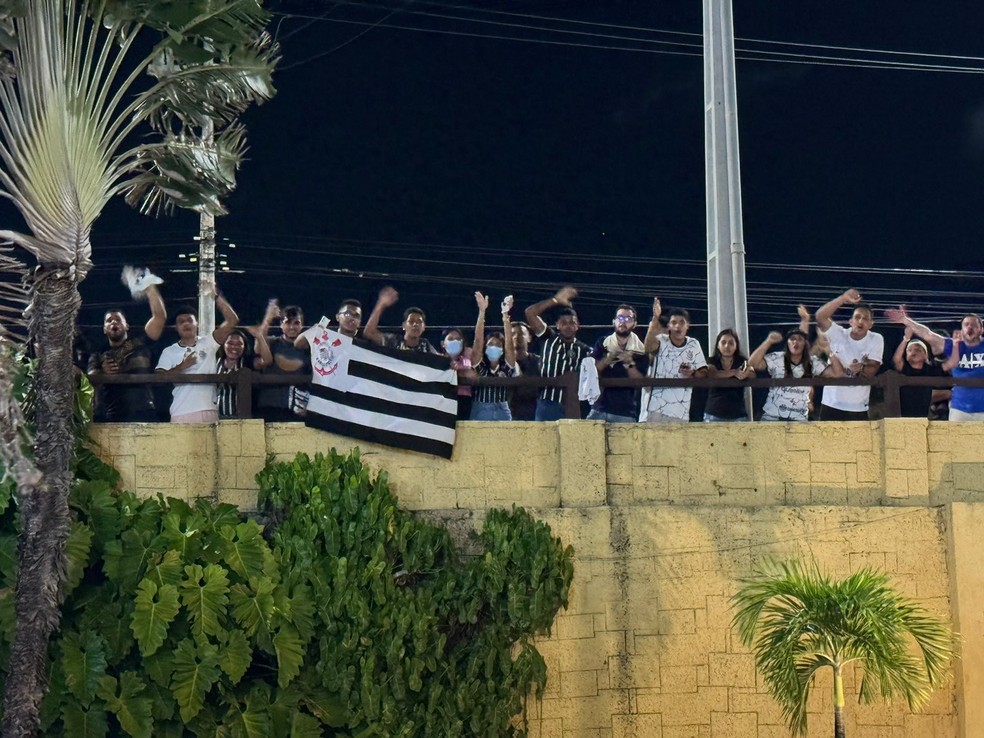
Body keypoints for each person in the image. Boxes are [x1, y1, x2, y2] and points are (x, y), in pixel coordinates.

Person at [87, 277, 166, 422]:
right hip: (113, 415)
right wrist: (103, 372)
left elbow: (159, 317)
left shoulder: (140, 343)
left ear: (126, 326)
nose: (113, 322)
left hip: (145, 412)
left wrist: (150, 288)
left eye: (118, 319)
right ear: (104, 329)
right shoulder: (98, 354)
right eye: (109, 321)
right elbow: (90, 379)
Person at [154, 288, 238, 423]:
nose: (186, 323)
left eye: (189, 320)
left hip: (208, 410)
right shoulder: (169, 351)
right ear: (176, 327)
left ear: (196, 324)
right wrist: (183, 365)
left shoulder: (208, 342)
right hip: (180, 411)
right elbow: (158, 378)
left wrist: (215, 296)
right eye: (181, 322)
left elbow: (232, 320)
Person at [885, 307, 984, 421]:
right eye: (966, 324)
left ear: (981, 330)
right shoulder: (952, 346)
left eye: (974, 325)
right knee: (957, 438)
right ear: (961, 329)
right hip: (959, 408)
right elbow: (928, 334)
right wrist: (905, 320)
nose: (970, 328)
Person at [814, 289, 884, 420]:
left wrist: (861, 368)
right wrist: (843, 298)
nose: (860, 321)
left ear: (870, 324)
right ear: (850, 321)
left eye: (865, 319)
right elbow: (820, 316)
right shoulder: (838, 333)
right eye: (857, 317)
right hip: (830, 403)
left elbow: (872, 371)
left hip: (857, 407)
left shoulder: (876, 339)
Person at [524, 286, 591, 421]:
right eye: (564, 322)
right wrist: (556, 300)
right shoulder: (549, 338)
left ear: (577, 326)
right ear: (557, 325)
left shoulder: (583, 349)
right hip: (547, 402)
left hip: (572, 404)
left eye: (572, 322)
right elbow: (530, 313)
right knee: (544, 441)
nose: (568, 326)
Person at [748, 328, 840, 422]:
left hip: (798, 419)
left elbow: (837, 373)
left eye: (800, 339)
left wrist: (827, 349)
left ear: (805, 344)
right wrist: (768, 342)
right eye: (792, 339)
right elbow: (753, 363)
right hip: (772, 418)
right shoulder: (777, 357)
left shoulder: (813, 362)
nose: (795, 341)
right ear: (787, 343)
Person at [640, 299, 707, 422]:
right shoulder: (661, 340)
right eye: (674, 322)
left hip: (681, 412)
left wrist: (692, 373)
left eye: (682, 322)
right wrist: (656, 317)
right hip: (655, 411)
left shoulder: (693, 344)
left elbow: (703, 372)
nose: (677, 326)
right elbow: (648, 348)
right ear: (669, 326)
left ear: (688, 325)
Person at [586, 304, 648, 423]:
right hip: (599, 409)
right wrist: (609, 357)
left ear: (634, 323)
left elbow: (640, 382)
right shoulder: (603, 342)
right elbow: (592, 371)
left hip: (625, 412)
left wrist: (629, 363)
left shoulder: (640, 350)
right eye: (619, 318)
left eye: (628, 319)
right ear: (613, 321)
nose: (622, 322)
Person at [254, 303, 310, 422]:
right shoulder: (273, 342)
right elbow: (258, 348)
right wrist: (268, 318)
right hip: (270, 405)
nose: (291, 327)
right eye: (287, 322)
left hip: (298, 409)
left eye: (296, 323)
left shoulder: (308, 348)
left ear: (302, 325)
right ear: (281, 325)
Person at [441, 292, 488, 420]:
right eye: (451, 339)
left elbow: (478, 343)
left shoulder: (467, 359)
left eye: (458, 339)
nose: (455, 342)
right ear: (443, 344)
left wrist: (482, 312)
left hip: (463, 402)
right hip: (442, 401)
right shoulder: (437, 359)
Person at [470, 296, 518, 421]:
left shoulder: (506, 368)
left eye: (498, 345)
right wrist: (482, 312)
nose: (494, 347)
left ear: (502, 350)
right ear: (485, 348)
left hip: (502, 409)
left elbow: (510, 347)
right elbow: (478, 342)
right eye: (490, 344)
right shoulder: (481, 367)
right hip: (481, 409)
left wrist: (505, 316)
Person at [215, 328, 272, 419]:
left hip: (243, 417)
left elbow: (267, 360)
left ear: (244, 346)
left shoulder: (248, 362)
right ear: (223, 345)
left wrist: (259, 337)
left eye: (239, 344)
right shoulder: (216, 362)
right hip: (217, 416)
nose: (234, 347)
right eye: (230, 343)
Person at [363, 286, 439, 353]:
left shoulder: (426, 345)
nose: (415, 324)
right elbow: (369, 333)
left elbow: (441, 359)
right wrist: (381, 305)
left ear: (424, 327)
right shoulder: (393, 341)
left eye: (419, 322)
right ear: (404, 326)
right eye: (411, 321)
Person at [890, 327, 945, 419]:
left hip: (923, 417)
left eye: (918, 350)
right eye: (909, 350)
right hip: (904, 417)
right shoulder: (905, 369)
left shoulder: (930, 370)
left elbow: (947, 367)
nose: (913, 352)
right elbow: (896, 359)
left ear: (925, 356)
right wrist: (906, 339)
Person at [703, 328, 753, 422]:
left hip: (738, 414)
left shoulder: (742, 361)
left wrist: (747, 373)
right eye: (723, 342)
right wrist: (734, 372)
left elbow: (752, 373)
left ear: (736, 346)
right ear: (718, 345)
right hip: (714, 414)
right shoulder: (711, 360)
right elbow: (712, 373)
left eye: (731, 343)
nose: (727, 346)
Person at [508, 320, 541, 421]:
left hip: (533, 414)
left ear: (529, 338)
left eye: (521, 334)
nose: (516, 337)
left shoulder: (539, 362)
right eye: (512, 334)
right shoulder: (502, 363)